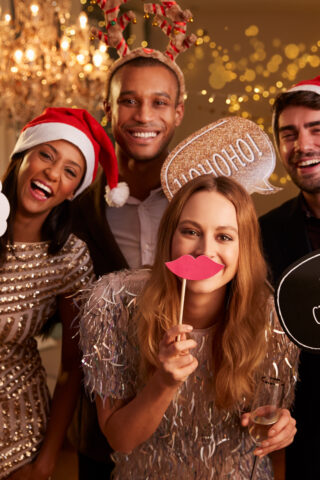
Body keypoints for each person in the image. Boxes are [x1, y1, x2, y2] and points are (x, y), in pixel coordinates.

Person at [80, 174, 299, 480]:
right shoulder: (114, 303)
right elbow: (120, 439)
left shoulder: (269, 317)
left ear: (243, 248)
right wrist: (163, 383)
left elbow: (264, 420)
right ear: (169, 237)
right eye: (191, 231)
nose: (204, 250)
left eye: (224, 236)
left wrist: (280, 428)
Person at [70, 48, 185, 477]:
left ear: (177, 113)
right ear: (108, 108)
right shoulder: (76, 206)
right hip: (105, 423)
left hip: (194, 420)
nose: (143, 115)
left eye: (159, 102)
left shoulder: (205, 203)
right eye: (129, 100)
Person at [0, 107, 119, 480]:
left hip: (16, 428)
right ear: (21, 157)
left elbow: (72, 368)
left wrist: (47, 460)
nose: (53, 173)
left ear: (72, 192)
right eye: (46, 154)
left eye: (70, 171)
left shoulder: (68, 259)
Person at [259, 74, 320, 480]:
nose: (303, 146)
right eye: (289, 134)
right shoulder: (265, 232)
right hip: (309, 432)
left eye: (317, 130)